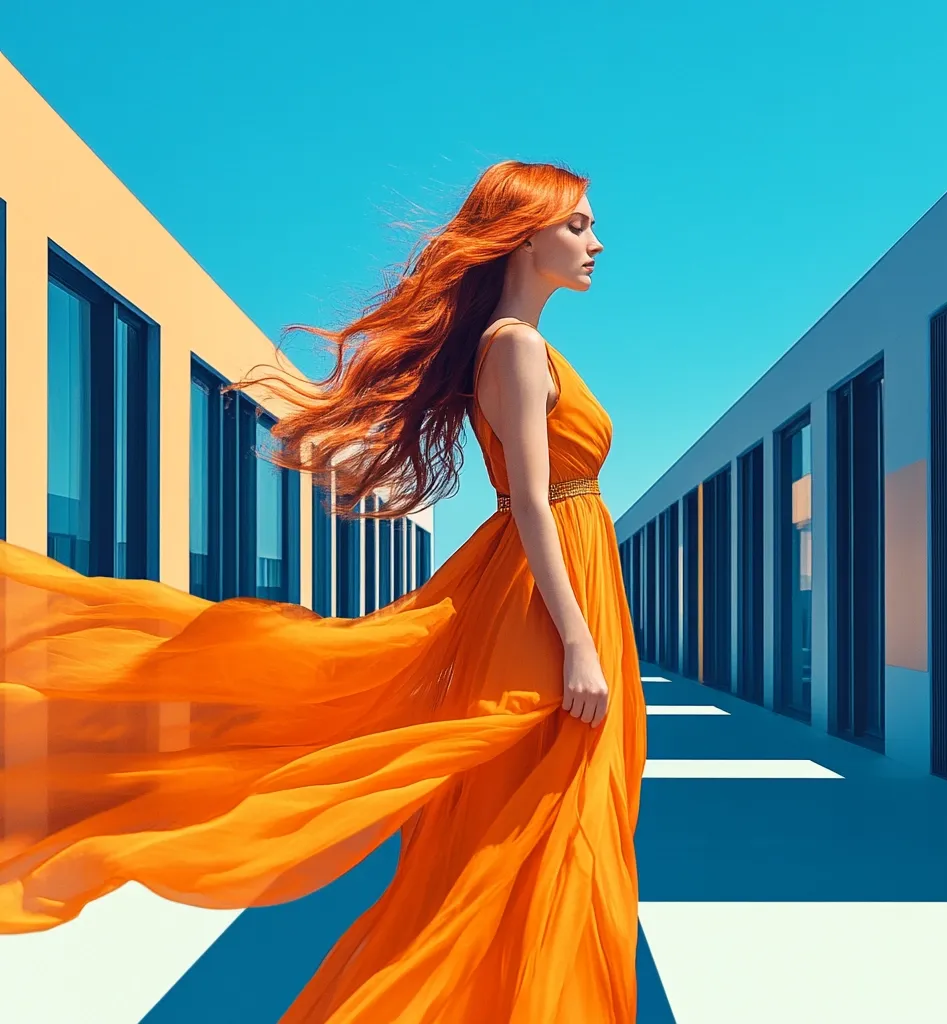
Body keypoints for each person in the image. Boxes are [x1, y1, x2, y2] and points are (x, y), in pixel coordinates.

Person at [0, 159, 647, 1022]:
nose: (596, 243)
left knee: (556, 821)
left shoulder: (524, 345)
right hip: (545, 598)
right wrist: (575, 641)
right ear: (524, 235)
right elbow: (531, 499)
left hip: (563, 580)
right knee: (543, 826)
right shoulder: (516, 347)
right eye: (578, 226)